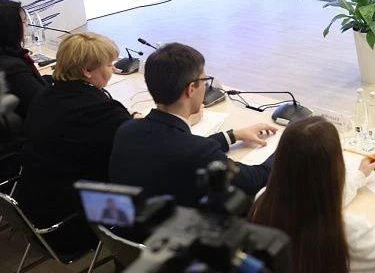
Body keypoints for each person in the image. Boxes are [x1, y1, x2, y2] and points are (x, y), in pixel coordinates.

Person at [109, 43, 277, 208]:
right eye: (205, 81)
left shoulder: (127, 130)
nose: (205, 86)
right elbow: (254, 180)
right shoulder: (198, 152)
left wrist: (233, 135)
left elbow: (176, 145)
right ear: (191, 89)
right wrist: (284, 148)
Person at [249, 116, 375, 273]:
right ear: (334, 166)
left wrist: (359, 175)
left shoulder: (263, 199)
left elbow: (314, 196)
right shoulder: (347, 229)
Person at [17, 32, 133, 253]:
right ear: (87, 71)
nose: (113, 70)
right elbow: (139, 145)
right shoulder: (100, 111)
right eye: (109, 65)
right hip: (68, 224)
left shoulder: (44, 96)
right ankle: (128, 258)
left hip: (32, 208)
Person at [0, 0, 49, 121]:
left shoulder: (9, 58)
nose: (27, 24)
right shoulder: (13, 69)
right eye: (23, 21)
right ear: (11, 28)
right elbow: (43, 102)